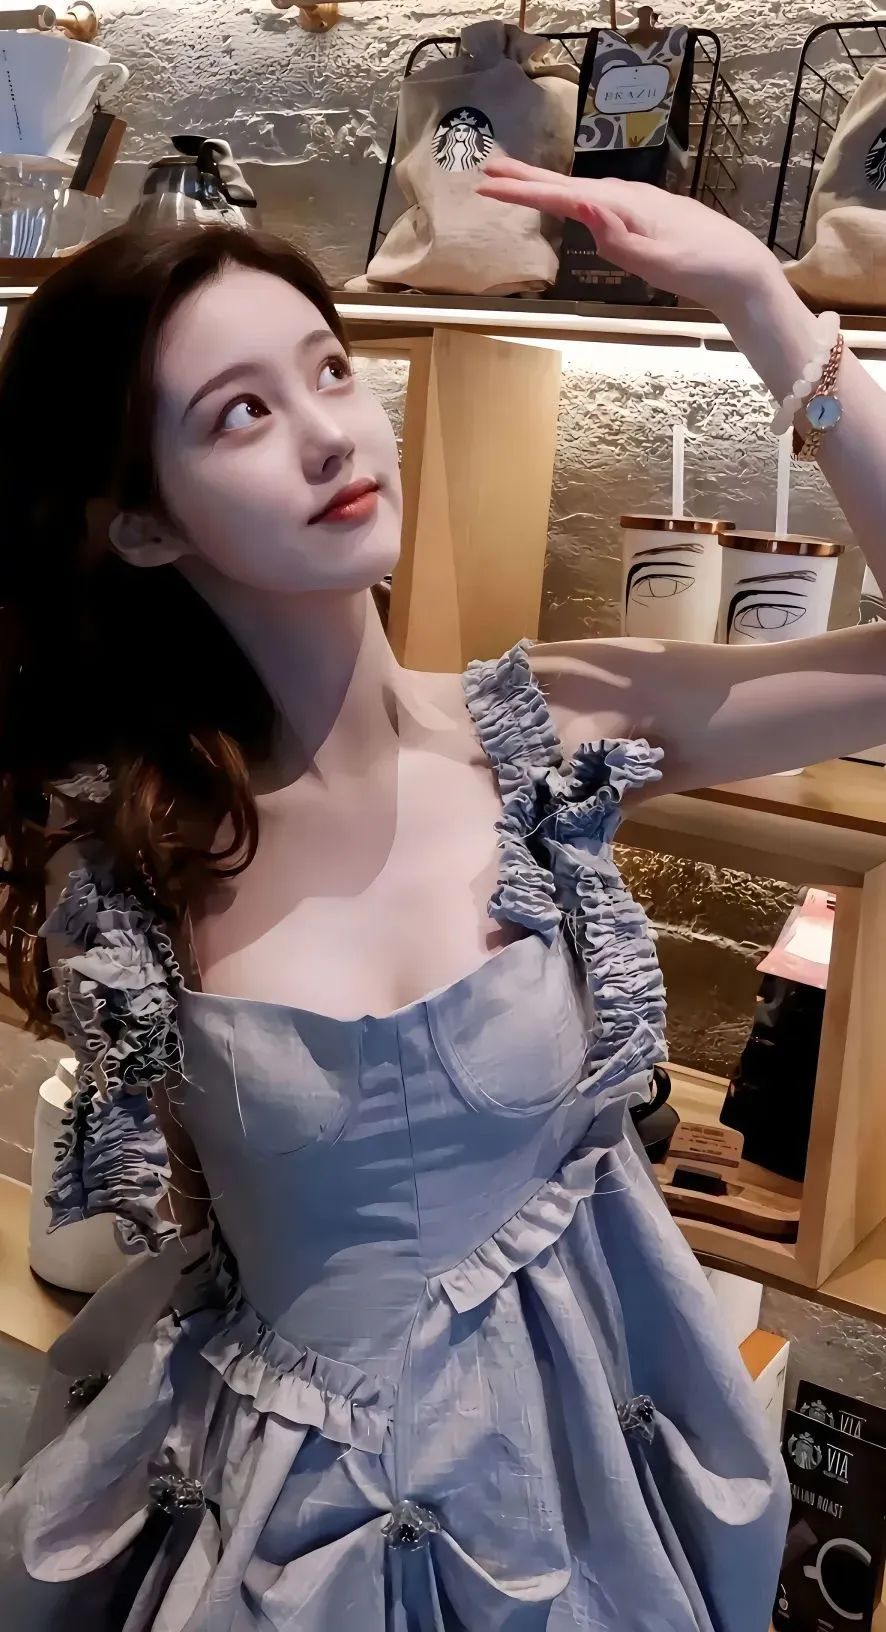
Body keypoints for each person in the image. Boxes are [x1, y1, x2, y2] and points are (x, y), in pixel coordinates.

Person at [1, 166, 885, 1632]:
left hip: (583, 1472)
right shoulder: (132, 853)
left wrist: (758, 297)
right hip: (290, 1519)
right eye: (240, 413)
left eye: (329, 370)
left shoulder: (552, 732)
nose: (329, 432)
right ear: (144, 526)